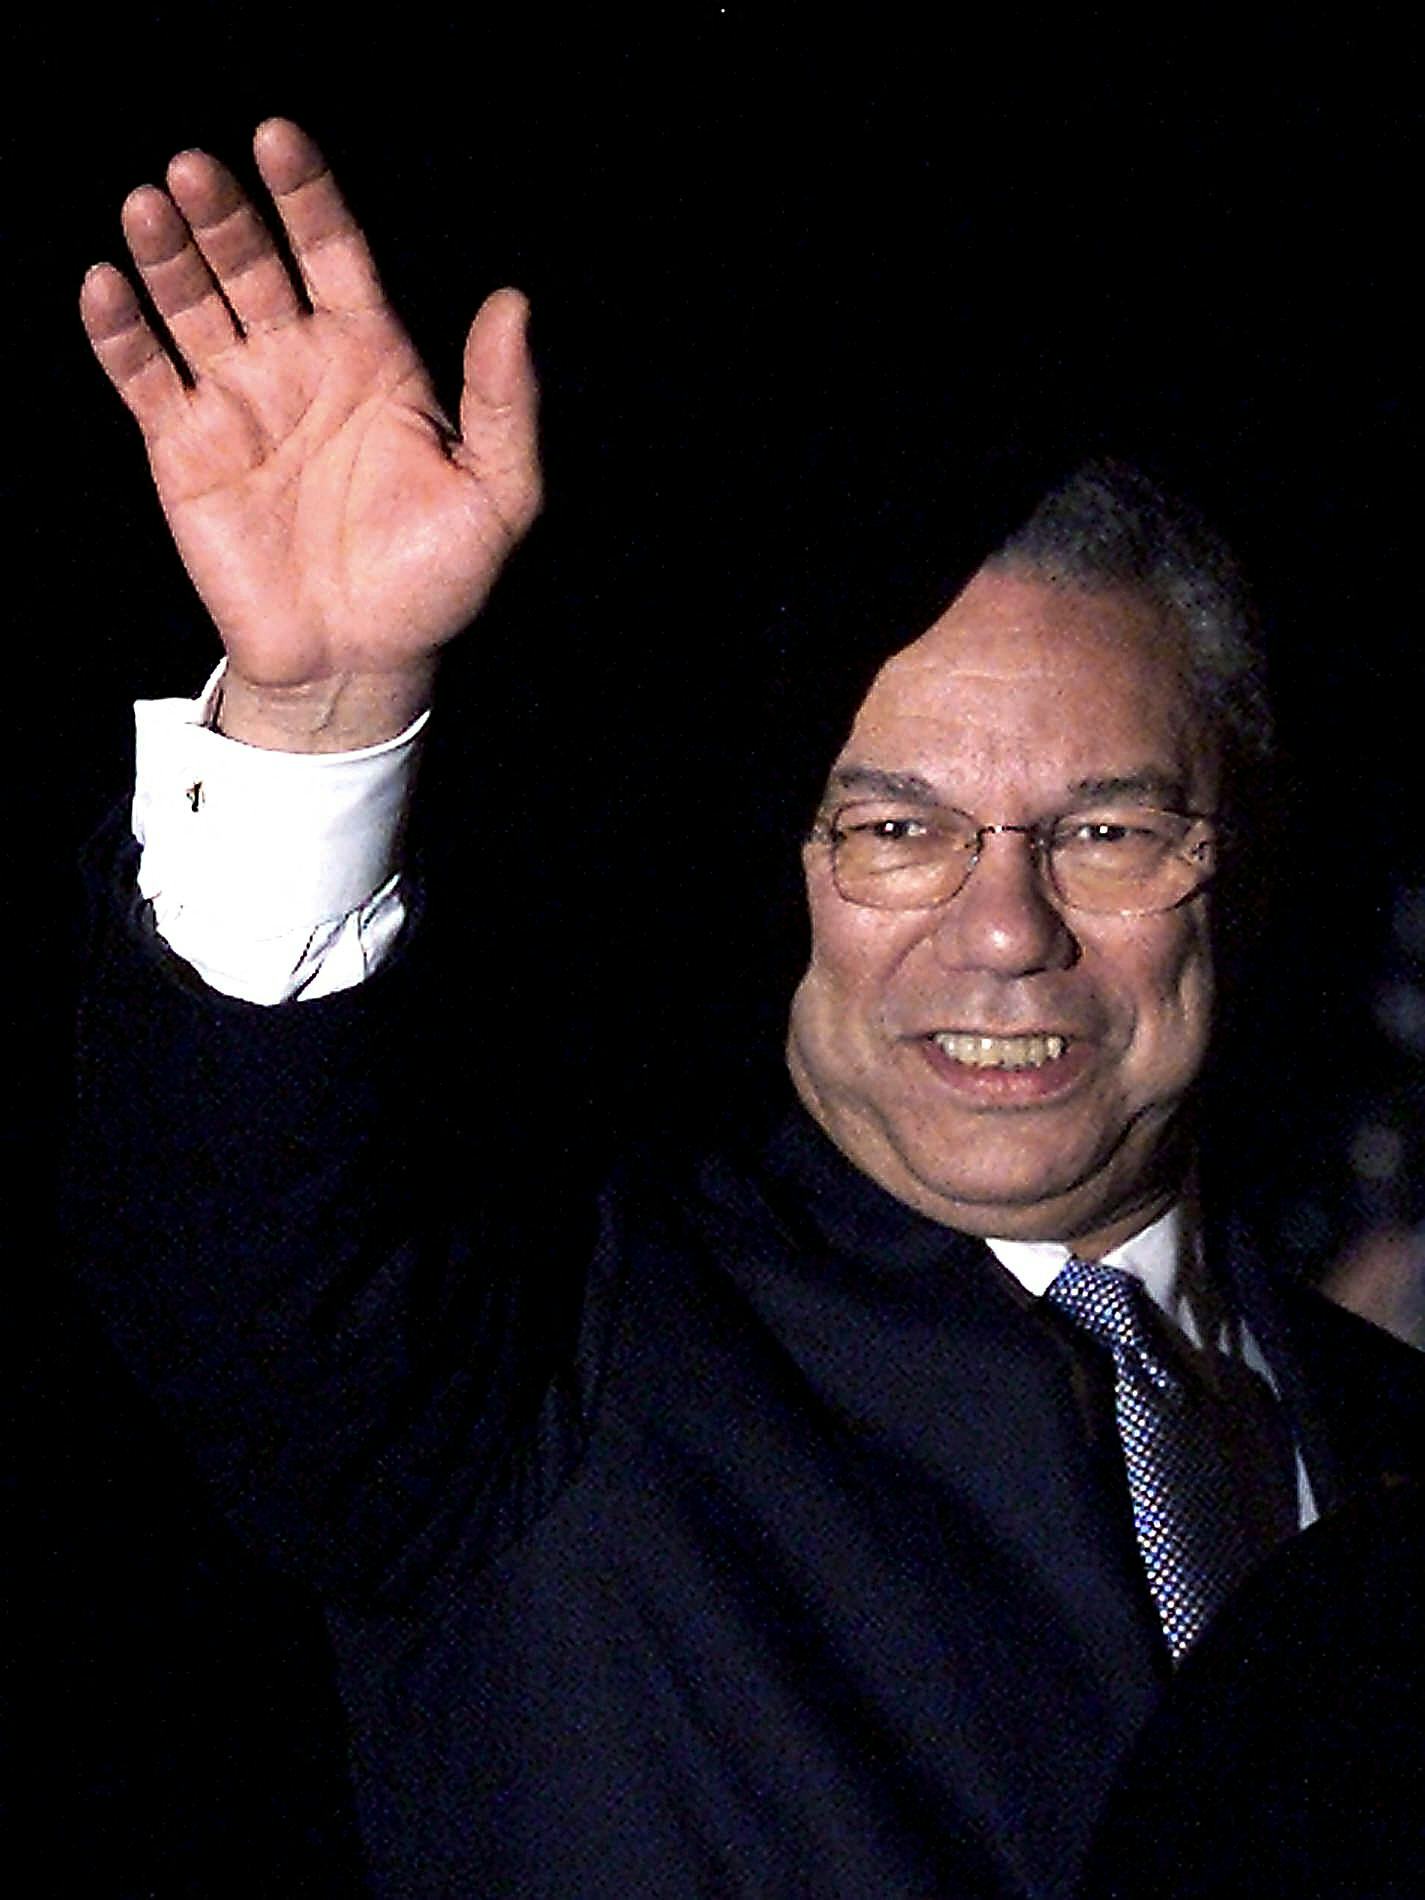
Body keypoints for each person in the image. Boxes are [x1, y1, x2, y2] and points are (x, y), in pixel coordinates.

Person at [70, 118, 1422, 1899]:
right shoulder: (556, 1362)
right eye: (895, 831)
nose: (1003, 931)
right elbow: (255, 1240)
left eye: (1105, 830)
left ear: (1232, 865)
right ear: (782, 868)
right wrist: (324, 715)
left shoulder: (1389, 1444)